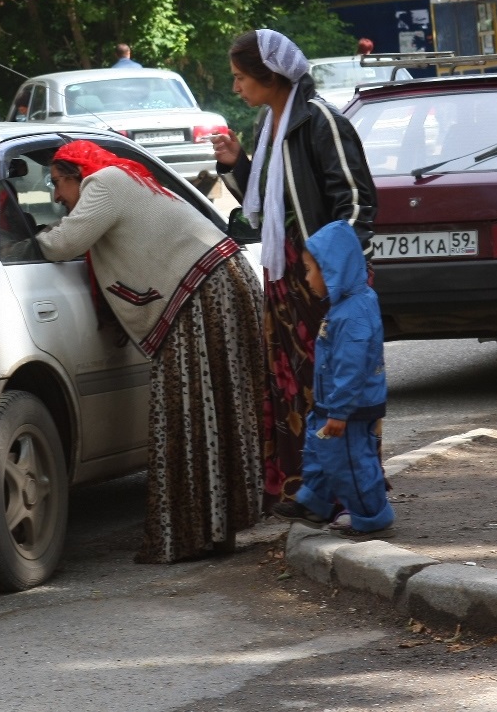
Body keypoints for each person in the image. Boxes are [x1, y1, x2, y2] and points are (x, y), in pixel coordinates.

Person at [34, 140, 266, 563]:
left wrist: (29, 232)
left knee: (188, 412)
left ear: (76, 174)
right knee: (208, 412)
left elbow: (61, 244)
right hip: (218, 284)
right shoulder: (122, 178)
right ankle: (212, 531)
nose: (56, 196)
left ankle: (194, 534)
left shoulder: (103, 183)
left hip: (204, 293)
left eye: (57, 183)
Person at [210, 28, 378, 510]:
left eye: (242, 78)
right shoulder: (270, 127)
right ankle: (308, 489)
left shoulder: (321, 121)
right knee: (296, 389)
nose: (237, 87)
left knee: (336, 388)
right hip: (286, 278)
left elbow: (357, 203)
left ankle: (353, 495)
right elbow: (268, 206)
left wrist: (328, 265)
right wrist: (237, 164)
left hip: (324, 280)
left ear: (271, 75)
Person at [271, 219, 394, 540]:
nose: (307, 278)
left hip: (350, 408)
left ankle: (371, 517)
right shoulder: (344, 307)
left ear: (333, 270)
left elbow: (352, 368)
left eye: (312, 270)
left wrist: (339, 411)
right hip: (333, 404)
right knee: (320, 453)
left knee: (350, 463)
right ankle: (314, 504)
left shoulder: (354, 313)